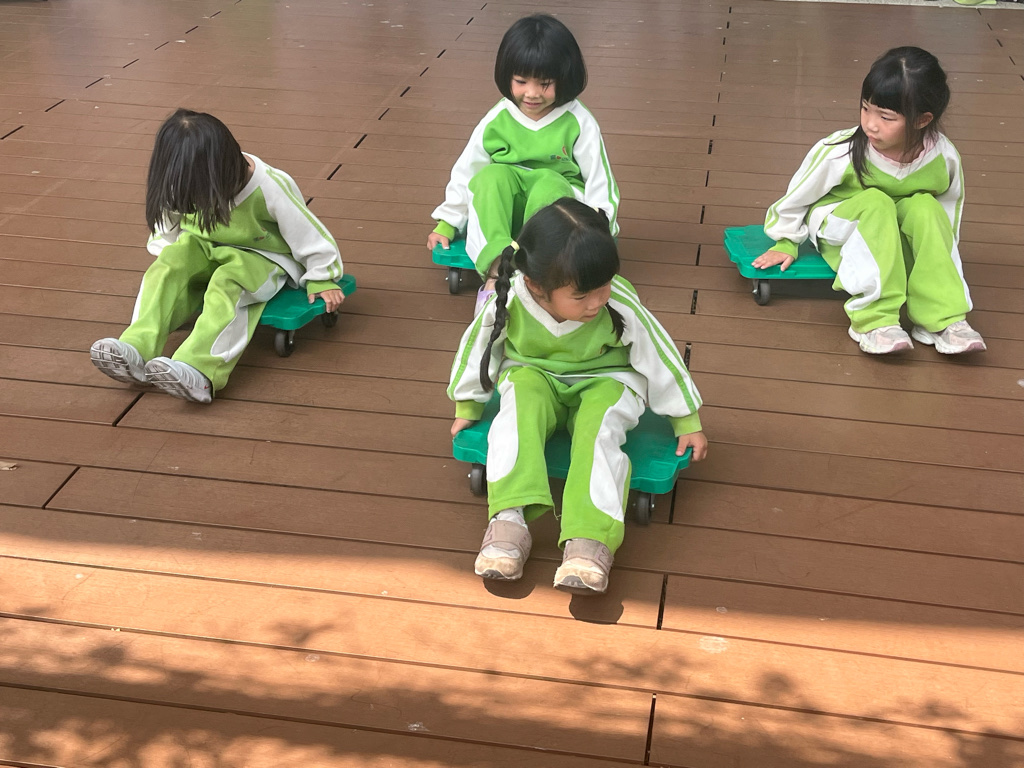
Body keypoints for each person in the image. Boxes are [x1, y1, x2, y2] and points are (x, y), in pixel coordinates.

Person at [448, 199, 707, 596]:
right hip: (534, 373)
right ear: (536, 285)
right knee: (516, 414)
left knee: (597, 432)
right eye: (583, 294)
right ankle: (508, 519)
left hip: (607, 378)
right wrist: (468, 403)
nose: (598, 301)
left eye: (605, 286)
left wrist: (685, 419)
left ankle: (590, 539)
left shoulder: (617, 301)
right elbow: (479, 349)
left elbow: (660, 355)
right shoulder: (511, 297)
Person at [90, 108, 345, 402]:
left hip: (262, 256)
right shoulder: (180, 178)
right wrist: (175, 261)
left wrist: (321, 276)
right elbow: (167, 226)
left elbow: (308, 233)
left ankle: (201, 370)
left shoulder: (271, 185)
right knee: (167, 267)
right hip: (203, 243)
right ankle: (136, 347)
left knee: (228, 283)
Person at [753, 46, 985, 355]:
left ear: (921, 120)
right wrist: (786, 241)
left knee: (926, 207)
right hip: (842, 224)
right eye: (866, 109)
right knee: (877, 202)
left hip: (895, 229)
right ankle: (875, 319)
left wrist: (935, 253)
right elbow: (797, 197)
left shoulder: (943, 157)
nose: (871, 124)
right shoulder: (841, 150)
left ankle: (943, 318)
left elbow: (948, 210)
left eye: (886, 117)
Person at [427, 13, 619, 314]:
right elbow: (468, 171)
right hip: (507, 207)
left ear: (565, 77)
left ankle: (538, 273)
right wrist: (448, 222)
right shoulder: (497, 118)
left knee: (548, 182)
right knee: (490, 177)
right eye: (521, 81)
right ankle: (497, 273)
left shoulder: (578, 120)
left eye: (545, 83)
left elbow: (599, 178)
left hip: (554, 211)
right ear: (507, 76)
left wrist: (600, 227)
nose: (532, 93)